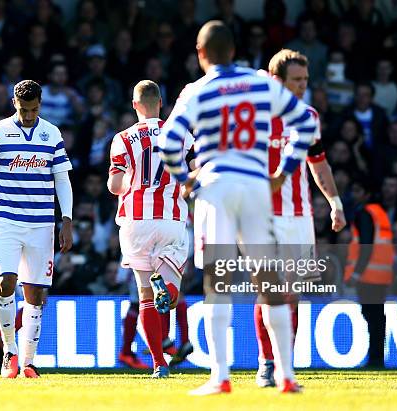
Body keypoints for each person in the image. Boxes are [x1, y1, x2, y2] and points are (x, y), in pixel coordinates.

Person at [158, 21, 317, 395]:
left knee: (218, 281)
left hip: (217, 185)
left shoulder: (197, 91)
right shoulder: (261, 82)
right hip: (258, 185)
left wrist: (185, 179)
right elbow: (305, 125)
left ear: (201, 54)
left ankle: (221, 377)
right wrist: (284, 171)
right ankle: (287, 376)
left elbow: (168, 143)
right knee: (269, 278)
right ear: (234, 50)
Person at [254, 49, 346, 388]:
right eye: (296, 80)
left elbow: (318, 163)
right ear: (278, 80)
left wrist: (334, 202)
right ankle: (267, 364)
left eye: (306, 80)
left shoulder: (308, 116)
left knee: (293, 295)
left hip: (299, 216)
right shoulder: (253, 116)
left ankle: (284, 366)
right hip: (260, 216)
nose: (302, 86)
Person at [0, 80, 73, 378]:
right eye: (23, 109)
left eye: (33, 109)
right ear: (13, 103)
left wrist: (65, 219)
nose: (28, 115)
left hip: (42, 223)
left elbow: (62, 180)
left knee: (35, 294)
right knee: (5, 283)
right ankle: (9, 352)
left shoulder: (51, 133)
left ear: (40, 104)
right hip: (6, 220)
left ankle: (28, 361)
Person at [107, 80, 193, 378]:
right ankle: (166, 288)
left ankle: (158, 365)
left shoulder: (123, 138)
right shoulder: (181, 135)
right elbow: (194, 175)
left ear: (135, 105)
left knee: (144, 296)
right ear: (161, 103)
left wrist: (129, 182)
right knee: (171, 294)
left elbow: (115, 185)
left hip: (134, 221)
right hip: (170, 219)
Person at [344, 180, 394, 368]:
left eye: (357, 190)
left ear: (366, 194)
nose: (354, 194)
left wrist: (356, 274)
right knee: (377, 317)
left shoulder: (364, 213)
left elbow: (366, 244)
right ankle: (377, 358)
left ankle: (375, 359)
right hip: (381, 274)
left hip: (368, 275)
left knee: (372, 316)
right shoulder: (380, 213)